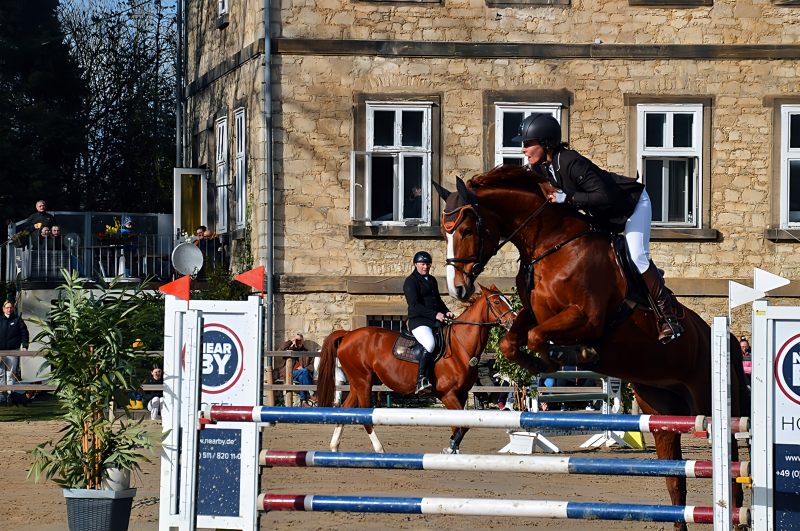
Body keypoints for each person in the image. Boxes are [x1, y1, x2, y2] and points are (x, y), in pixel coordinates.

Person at [514, 113, 683, 343]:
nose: (523, 150)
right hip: (602, 217)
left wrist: (567, 198)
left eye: (527, 144)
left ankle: (668, 318)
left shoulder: (571, 161)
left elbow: (602, 197)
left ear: (545, 143)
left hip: (631, 205)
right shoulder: (541, 169)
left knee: (637, 256)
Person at [403, 251, 454, 395]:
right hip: (418, 321)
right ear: (416, 265)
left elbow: (438, 300)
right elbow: (414, 305)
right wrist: (435, 315)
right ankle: (421, 379)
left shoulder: (432, 280)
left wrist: (446, 311)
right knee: (430, 343)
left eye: (428, 264)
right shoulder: (411, 281)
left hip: (433, 320)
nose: (426, 267)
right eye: (423, 264)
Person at [0, 301, 29, 404]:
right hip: (0, 352)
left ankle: (10, 395)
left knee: (11, 374)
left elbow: (24, 333)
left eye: (11, 307)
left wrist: (25, 346)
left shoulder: (18, 320)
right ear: (3, 309)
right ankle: (1, 394)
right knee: (1, 373)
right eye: (7, 307)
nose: (9, 309)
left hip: (13, 350)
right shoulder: (0, 320)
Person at [279, 333, 314, 406]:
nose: (298, 342)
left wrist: (305, 368)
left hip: (302, 374)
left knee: (302, 375)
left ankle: (303, 401)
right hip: (289, 373)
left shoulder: (307, 352)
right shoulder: (289, 350)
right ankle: (312, 393)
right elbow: (280, 351)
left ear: (303, 341)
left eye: (300, 340)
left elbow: (313, 365)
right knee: (304, 371)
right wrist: (290, 342)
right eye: (296, 340)